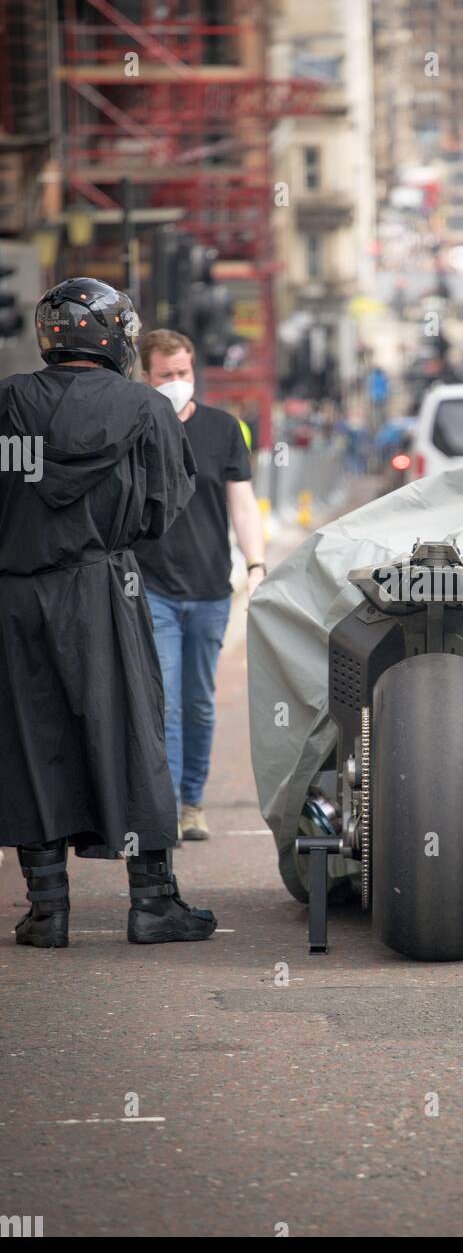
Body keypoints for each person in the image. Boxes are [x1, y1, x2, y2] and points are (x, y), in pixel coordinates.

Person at [0, 277, 216, 947]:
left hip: (16, 589)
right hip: (103, 586)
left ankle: (48, 909)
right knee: (130, 730)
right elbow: (160, 510)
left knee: (29, 737)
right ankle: (152, 902)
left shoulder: (9, 403)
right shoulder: (145, 410)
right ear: (115, 338)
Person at [133, 329, 265, 843]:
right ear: (145, 377)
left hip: (211, 588)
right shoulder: (135, 430)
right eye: (165, 375)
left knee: (201, 701)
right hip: (153, 586)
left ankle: (193, 802)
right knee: (165, 697)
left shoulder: (223, 429)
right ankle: (165, 807)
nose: (176, 383)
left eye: (183, 373)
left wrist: (256, 564)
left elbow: (243, 502)